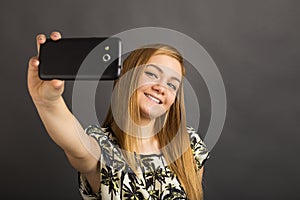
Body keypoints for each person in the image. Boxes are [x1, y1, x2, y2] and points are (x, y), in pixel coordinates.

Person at [28, 31, 210, 200]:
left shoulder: (188, 143)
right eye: (152, 74)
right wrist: (48, 103)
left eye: (172, 85)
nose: (161, 88)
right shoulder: (103, 146)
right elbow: (74, 142)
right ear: (128, 77)